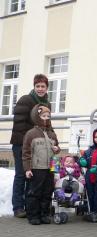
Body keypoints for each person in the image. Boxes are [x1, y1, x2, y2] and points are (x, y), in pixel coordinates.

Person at [10, 74, 51, 218]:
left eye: (43, 86)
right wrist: (27, 143)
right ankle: (18, 207)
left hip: (37, 146)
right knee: (21, 174)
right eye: (38, 86)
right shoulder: (26, 100)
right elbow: (19, 125)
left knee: (32, 176)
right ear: (34, 87)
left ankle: (30, 206)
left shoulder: (46, 103)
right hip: (21, 144)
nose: (40, 89)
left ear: (47, 88)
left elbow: (48, 126)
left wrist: (53, 142)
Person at [22, 105, 60, 225]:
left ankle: (44, 214)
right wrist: (27, 169)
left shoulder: (52, 134)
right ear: (37, 117)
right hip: (36, 168)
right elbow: (26, 153)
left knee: (47, 192)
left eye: (48, 116)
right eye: (43, 116)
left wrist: (57, 148)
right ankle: (33, 215)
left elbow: (57, 150)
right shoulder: (31, 134)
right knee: (35, 192)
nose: (46, 118)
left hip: (50, 168)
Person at [79, 128, 97, 220]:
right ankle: (91, 211)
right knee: (90, 194)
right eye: (96, 137)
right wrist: (82, 161)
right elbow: (84, 159)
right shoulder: (89, 150)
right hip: (89, 176)